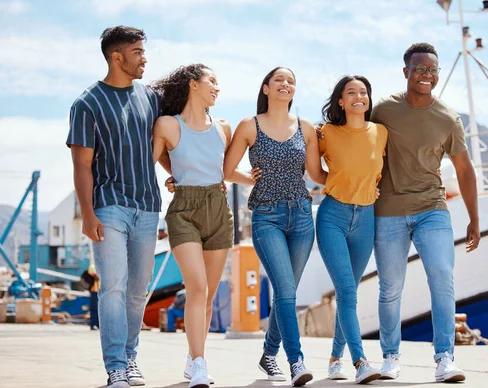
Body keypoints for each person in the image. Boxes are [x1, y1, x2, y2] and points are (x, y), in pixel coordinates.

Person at [371, 43, 481, 383]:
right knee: (390, 287)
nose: (426, 75)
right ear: (406, 72)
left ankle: (445, 358)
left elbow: (464, 169)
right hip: (388, 210)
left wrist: (474, 218)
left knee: (442, 280)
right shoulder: (383, 111)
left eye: (432, 70)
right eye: (419, 69)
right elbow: (363, 146)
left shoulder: (448, 118)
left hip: (432, 209)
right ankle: (390, 357)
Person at [67, 25, 161, 388]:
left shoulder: (150, 98)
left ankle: (131, 356)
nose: (144, 58)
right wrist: (87, 213)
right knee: (113, 286)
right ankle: (116, 367)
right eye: (138, 51)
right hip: (108, 206)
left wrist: (172, 175)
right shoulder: (87, 103)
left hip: (148, 205)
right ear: (116, 57)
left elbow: (164, 143)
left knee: (139, 289)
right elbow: (81, 165)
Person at [152, 63, 256, 388]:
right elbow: (153, 159)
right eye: (212, 81)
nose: (217, 88)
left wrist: (257, 179)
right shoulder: (167, 125)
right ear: (193, 84)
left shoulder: (223, 127)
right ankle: (199, 363)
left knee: (208, 295)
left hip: (218, 209)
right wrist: (176, 176)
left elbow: (225, 171)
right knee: (196, 288)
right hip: (183, 210)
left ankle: (193, 356)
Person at [223, 67, 326, 386]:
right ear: (266, 88)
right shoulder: (248, 126)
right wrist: (248, 178)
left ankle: (269, 355)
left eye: (291, 81)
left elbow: (318, 174)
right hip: (266, 216)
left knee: (287, 292)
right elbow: (227, 170)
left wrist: (359, 177)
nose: (285, 84)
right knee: (284, 291)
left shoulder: (306, 128)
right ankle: (296, 362)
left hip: (301, 215)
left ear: (294, 92)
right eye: (279, 80)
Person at [315, 76, 386, 384]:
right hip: (333, 216)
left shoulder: (380, 133)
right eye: (351, 92)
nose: (359, 96)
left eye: (363, 92)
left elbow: (383, 171)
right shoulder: (327, 132)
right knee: (346, 291)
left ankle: (334, 359)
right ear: (340, 101)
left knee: (350, 294)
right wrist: (335, 184)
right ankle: (359, 362)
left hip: (366, 217)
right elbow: (314, 170)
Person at [81, 263, 100, 330]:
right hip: (95, 292)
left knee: (97, 309)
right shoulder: (93, 267)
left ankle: (97, 324)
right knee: (95, 309)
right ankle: (93, 324)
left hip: (98, 292)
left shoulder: (95, 267)